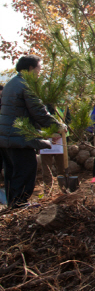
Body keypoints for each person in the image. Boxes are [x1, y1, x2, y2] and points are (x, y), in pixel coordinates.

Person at [0, 55, 65, 208]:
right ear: (30, 68)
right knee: (26, 169)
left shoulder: (11, 83)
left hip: (5, 137)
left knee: (11, 171)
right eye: (38, 69)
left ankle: (13, 204)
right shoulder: (27, 85)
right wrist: (57, 127)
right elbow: (39, 112)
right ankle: (20, 203)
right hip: (19, 137)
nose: (39, 72)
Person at [40, 105, 70, 190]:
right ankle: (48, 189)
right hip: (46, 138)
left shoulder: (63, 103)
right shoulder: (43, 102)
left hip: (62, 139)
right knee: (46, 167)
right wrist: (50, 133)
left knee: (62, 166)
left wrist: (60, 132)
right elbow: (39, 119)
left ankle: (64, 188)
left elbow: (68, 119)